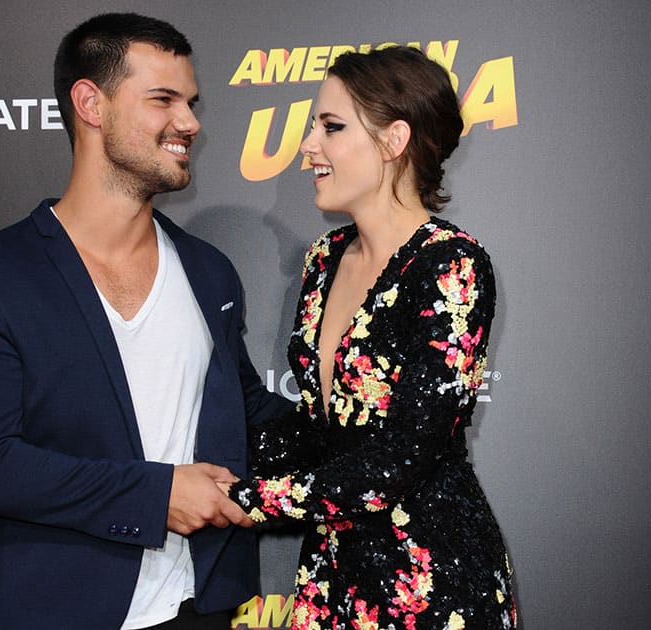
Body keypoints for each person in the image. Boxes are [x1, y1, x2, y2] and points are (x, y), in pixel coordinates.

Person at [0, 12, 292, 630]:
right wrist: (156, 497)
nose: (190, 122)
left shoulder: (209, 272)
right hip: (66, 609)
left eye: (191, 102)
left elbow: (245, 411)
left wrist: (375, 432)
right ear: (89, 103)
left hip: (203, 604)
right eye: (163, 100)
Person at [229, 46, 518, 629]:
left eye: (331, 127)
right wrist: (214, 462)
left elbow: (403, 453)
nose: (308, 146)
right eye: (315, 126)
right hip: (333, 571)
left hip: (431, 578)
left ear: (395, 140)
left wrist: (247, 500)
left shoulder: (452, 266)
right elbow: (320, 429)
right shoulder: (324, 258)